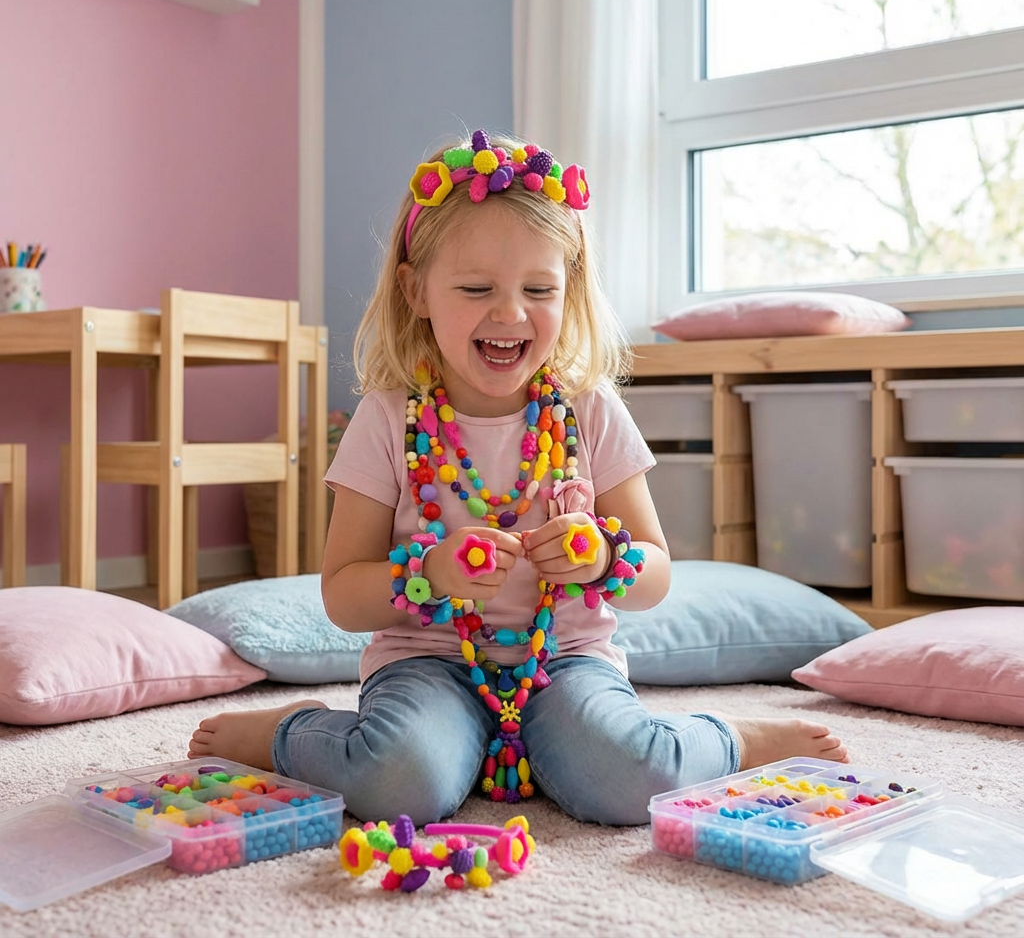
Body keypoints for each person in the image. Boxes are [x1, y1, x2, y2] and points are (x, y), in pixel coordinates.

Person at [189, 131, 848, 825]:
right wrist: (431, 573)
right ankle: (290, 733)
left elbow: (654, 575)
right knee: (399, 781)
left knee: (632, 776)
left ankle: (730, 740)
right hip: (428, 662)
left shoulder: (590, 410)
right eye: (476, 288)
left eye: (539, 289)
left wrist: (602, 559)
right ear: (415, 290)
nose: (509, 313)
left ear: (569, 292)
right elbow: (343, 597)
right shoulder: (386, 420)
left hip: (566, 661)